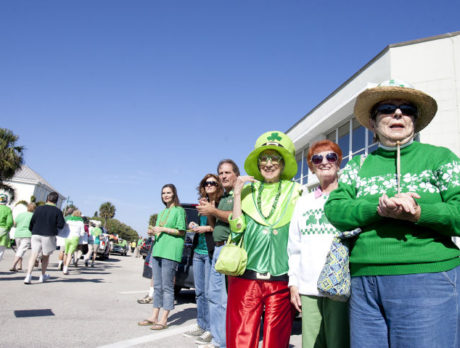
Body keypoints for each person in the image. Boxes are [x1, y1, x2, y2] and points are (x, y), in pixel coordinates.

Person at [324, 79, 460, 348]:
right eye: (387, 108)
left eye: (407, 109)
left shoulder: (440, 158)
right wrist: (378, 207)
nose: (398, 113)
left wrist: (420, 213)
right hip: (364, 284)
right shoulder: (358, 165)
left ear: (414, 121)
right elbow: (335, 209)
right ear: (373, 123)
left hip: (427, 279)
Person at [228, 131, 302, 348]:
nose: (269, 163)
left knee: (275, 342)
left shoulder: (297, 191)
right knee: (241, 340)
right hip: (246, 278)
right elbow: (237, 230)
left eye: (275, 158)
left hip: (280, 280)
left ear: (283, 162)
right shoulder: (248, 189)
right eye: (264, 158)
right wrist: (238, 194)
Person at [288, 140, 349, 348]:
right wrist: (293, 283)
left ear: (339, 162)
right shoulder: (304, 203)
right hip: (309, 286)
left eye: (331, 157)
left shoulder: (349, 198)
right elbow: (294, 246)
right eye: (317, 159)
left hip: (340, 286)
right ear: (312, 167)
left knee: (338, 342)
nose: (324, 162)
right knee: (311, 343)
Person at [196, 159, 240, 348]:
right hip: (218, 248)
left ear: (236, 174)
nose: (223, 176)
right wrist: (210, 211)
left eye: (227, 172)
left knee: (222, 299)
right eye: (220, 173)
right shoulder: (222, 198)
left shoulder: (239, 195)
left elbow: (237, 218)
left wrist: (213, 209)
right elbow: (214, 228)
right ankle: (217, 339)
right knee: (213, 296)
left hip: (230, 249)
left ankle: (222, 343)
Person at [138, 184, 186, 330]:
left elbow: (181, 231)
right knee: (157, 286)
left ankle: (164, 319)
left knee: (167, 286)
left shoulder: (179, 211)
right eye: (163, 193)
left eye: (168, 193)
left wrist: (163, 229)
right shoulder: (162, 212)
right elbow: (160, 231)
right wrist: (154, 232)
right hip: (158, 250)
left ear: (174, 194)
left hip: (170, 252)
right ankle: (154, 316)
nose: (165, 195)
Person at [184, 174, 223, 345]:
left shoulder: (220, 203)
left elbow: (217, 228)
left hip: (210, 250)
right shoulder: (201, 203)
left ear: (218, 185)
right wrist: (193, 226)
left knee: (210, 293)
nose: (209, 185)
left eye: (212, 182)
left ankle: (211, 329)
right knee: (199, 292)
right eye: (206, 183)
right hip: (197, 251)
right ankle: (202, 324)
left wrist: (204, 227)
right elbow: (196, 223)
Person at [24, 191, 65, 284]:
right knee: (45, 256)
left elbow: (32, 221)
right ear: (56, 201)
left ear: (47, 198)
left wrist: (32, 230)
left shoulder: (39, 208)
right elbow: (61, 225)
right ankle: (42, 276)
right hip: (48, 234)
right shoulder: (57, 211)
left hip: (36, 233)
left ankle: (28, 276)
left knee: (33, 255)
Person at [10, 203, 36, 272]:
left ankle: (19, 265)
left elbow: (15, 224)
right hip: (27, 234)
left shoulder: (20, 214)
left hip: (18, 234)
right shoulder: (33, 216)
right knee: (21, 251)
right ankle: (13, 265)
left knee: (19, 250)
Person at [62, 210, 86, 275]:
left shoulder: (69, 220)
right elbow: (82, 233)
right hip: (75, 238)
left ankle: (64, 266)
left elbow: (64, 229)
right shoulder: (81, 222)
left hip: (67, 237)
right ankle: (66, 269)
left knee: (66, 253)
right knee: (70, 254)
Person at [0, 194, 13, 262]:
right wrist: (7, 228)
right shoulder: (8, 209)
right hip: (3, 230)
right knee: (1, 250)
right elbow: (10, 222)